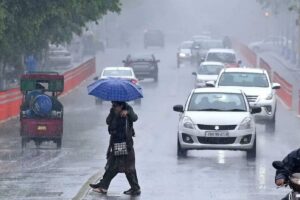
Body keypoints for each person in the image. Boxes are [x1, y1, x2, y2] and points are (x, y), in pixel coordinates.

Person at [89, 101, 141, 196]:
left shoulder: (128, 109)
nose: (113, 107)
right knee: (124, 167)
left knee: (116, 166)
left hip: (125, 144)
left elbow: (135, 118)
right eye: (112, 105)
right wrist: (113, 113)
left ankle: (104, 186)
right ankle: (135, 188)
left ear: (121, 105)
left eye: (115, 105)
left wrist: (127, 112)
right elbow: (108, 121)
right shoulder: (113, 111)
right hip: (116, 143)